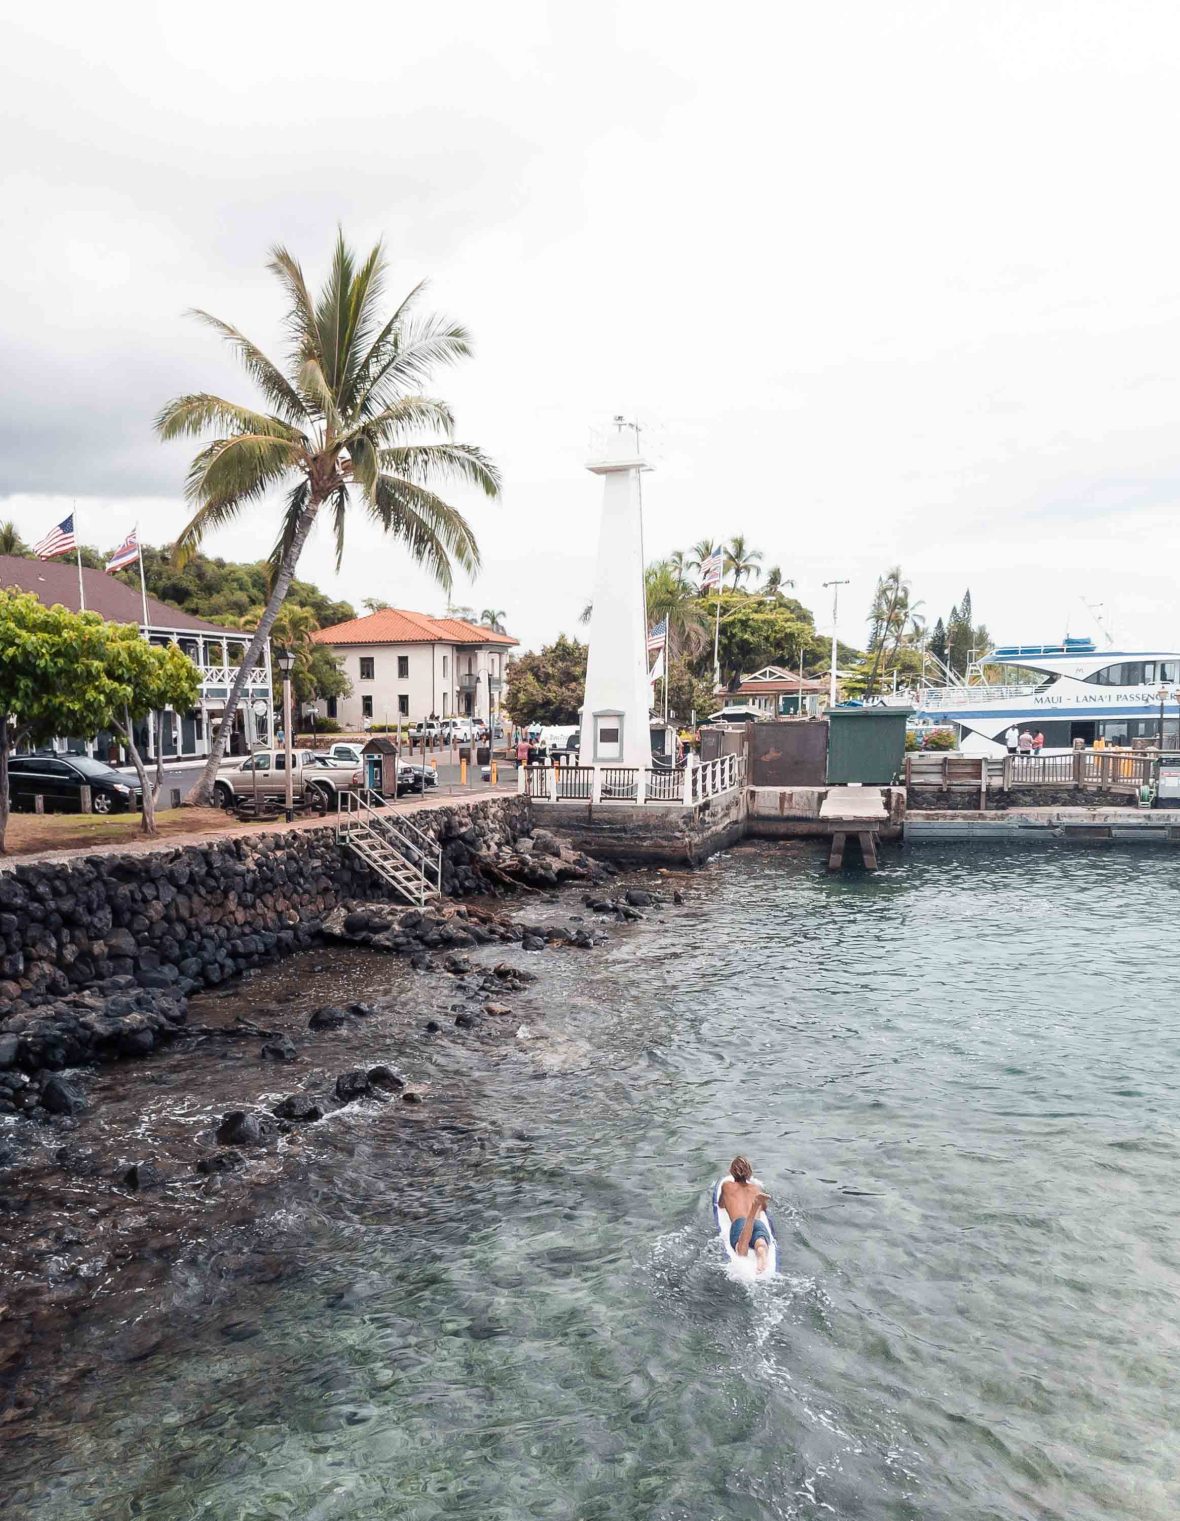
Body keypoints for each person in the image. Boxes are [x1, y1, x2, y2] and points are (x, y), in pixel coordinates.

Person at [718, 1155, 772, 1275]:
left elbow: (721, 1205)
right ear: (749, 1172)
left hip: (739, 1223)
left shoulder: (726, 1185)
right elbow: (764, 1208)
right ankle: (762, 1258)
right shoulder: (756, 1188)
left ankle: (753, 1208)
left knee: (741, 1251)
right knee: (760, 1244)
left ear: (732, 1172)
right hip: (758, 1223)